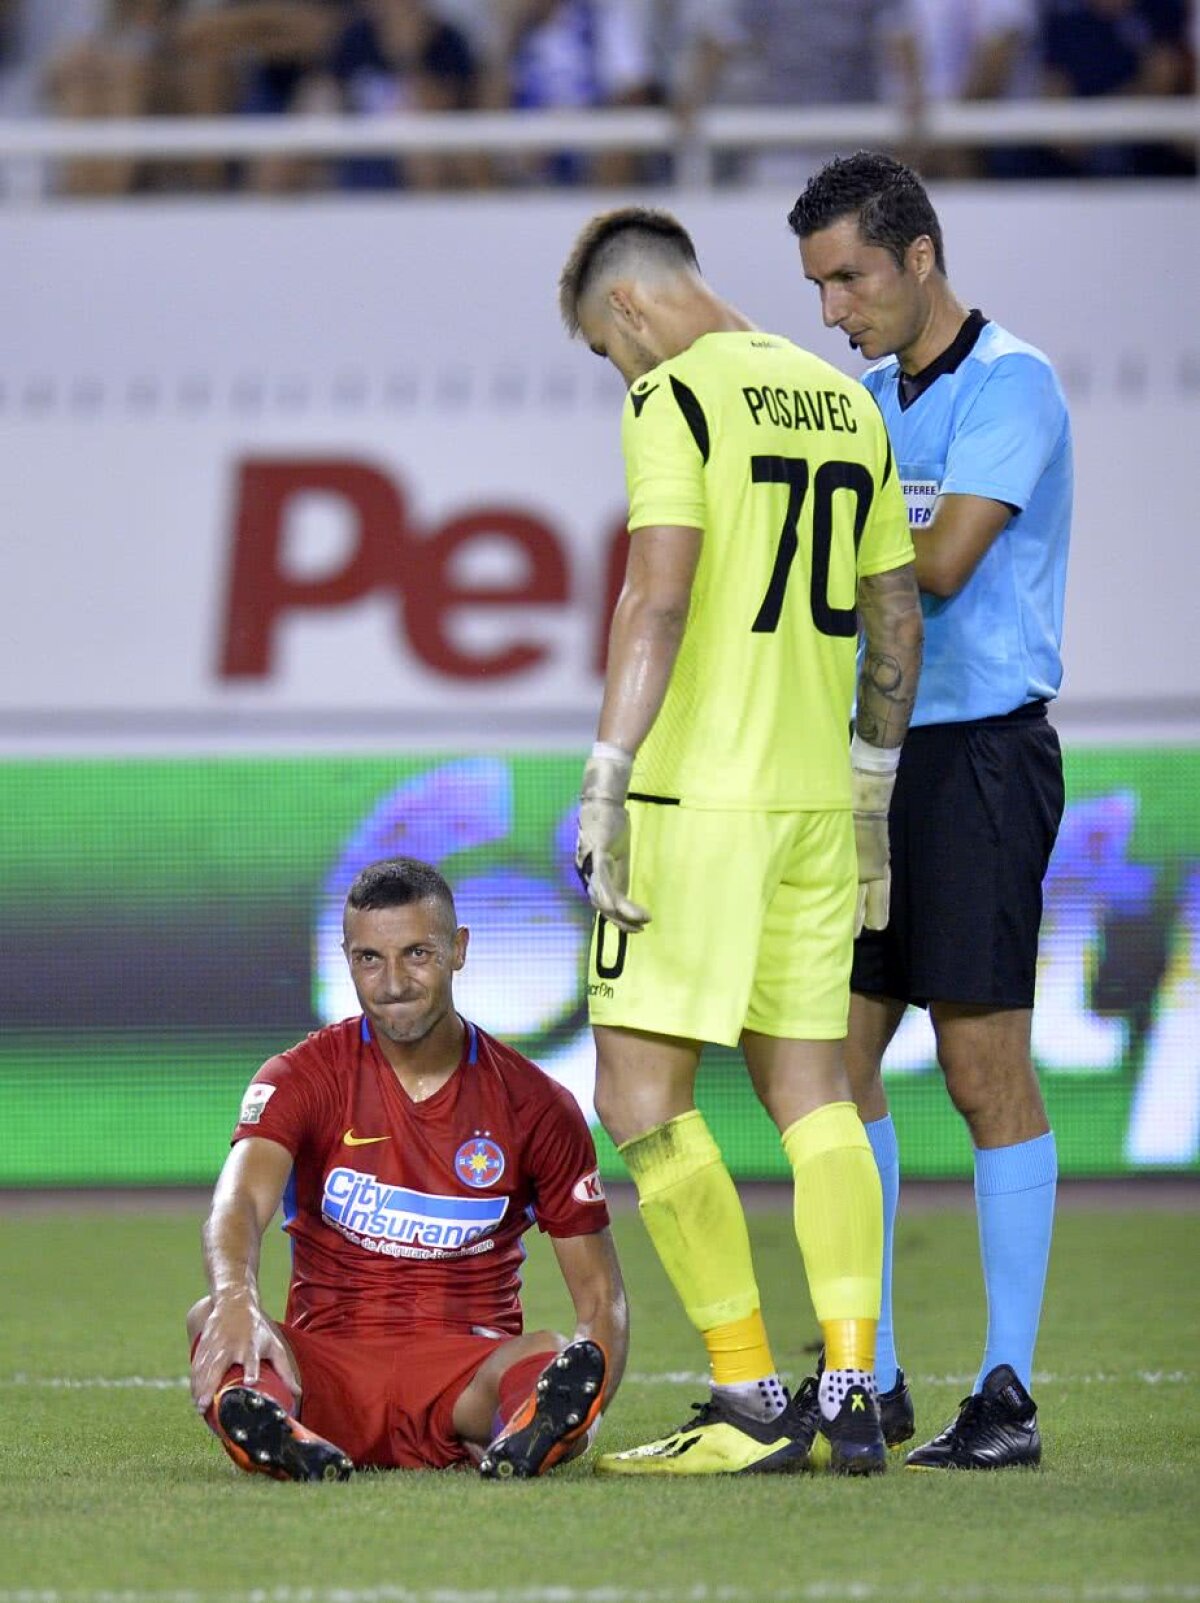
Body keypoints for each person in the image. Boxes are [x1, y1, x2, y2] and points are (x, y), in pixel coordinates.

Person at [557, 207, 924, 1475]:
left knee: (641, 1095)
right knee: (814, 1094)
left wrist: (606, 776)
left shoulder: (675, 401)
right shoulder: (847, 400)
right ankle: (855, 1385)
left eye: (614, 356)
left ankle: (750, 1396)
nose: (626, 375)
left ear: (629, 312)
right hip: (820, 804)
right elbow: (894, 614)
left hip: (692, 802)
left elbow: (653, 594)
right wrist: (872, 795)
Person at [788, 151, 1071, 1469]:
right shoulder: (857, 398)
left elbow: (944, 564)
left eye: (848, 276)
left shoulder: (1015, 384)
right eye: (818, 285)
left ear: (917, 256)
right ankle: (874, 1372)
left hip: (978, 760)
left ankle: (1006, 1387)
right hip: (874, 758)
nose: (834, 307)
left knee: (979, 1067)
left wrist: (832, 547)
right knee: (838, 1064)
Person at [188, 856, 627, 1480]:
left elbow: (602, 1298)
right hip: (324, 1373)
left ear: (459, 950)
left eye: (416, 953)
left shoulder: (538, 1105)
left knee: (556, 1354)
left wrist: (590, 1410)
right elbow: (238, 1203)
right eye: (370, 958)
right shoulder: (299, 1076)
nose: (392, 981)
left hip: (467, 1380)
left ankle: (531, 1423)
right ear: (348, 960)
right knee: (211, 1317)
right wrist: (237, 1296)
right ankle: (278, 1428)